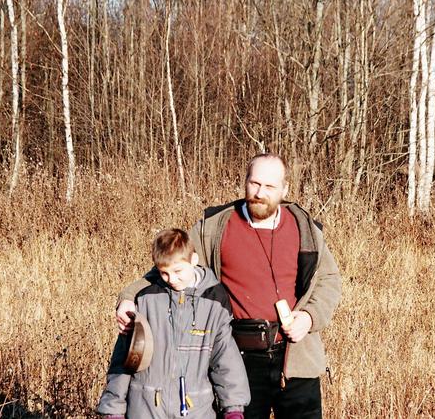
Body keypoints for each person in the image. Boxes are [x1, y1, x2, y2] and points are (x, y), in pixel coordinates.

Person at [115, 154, 342, 419]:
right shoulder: (214, 228)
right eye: (254, 183)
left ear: (285, 189)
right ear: (245, 182)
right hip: (237, 360)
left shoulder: (304, 228)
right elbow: (172, 270)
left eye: (269, 187)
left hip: (297, 360)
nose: (259, 193)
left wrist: (309, 317)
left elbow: (329, 280)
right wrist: (129, 298)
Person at [97, 228, 250, 419]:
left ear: (194, 260)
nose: (172, 280)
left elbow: (226, 359)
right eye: (164, 273)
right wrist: (113, 408)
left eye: (178, 271)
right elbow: (125, 358)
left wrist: (233, 408)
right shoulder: (146, 298)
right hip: (145, 410)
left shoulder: (215, 302)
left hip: (197, 411)